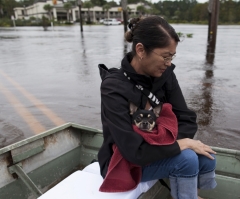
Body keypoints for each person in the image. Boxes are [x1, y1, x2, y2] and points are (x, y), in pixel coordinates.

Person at [98, 16, 217, 199]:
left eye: (172, 56)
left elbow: (186, 119)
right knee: (187, 158)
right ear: (141, 50)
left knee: (207, 156)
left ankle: (189, 195)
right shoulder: (113, 87)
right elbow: (133, 151)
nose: (169, 63)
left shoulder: (165, 76)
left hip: (153, 151)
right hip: (123, 161)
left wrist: (169, 143)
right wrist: (179, 145)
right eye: (165, 56)